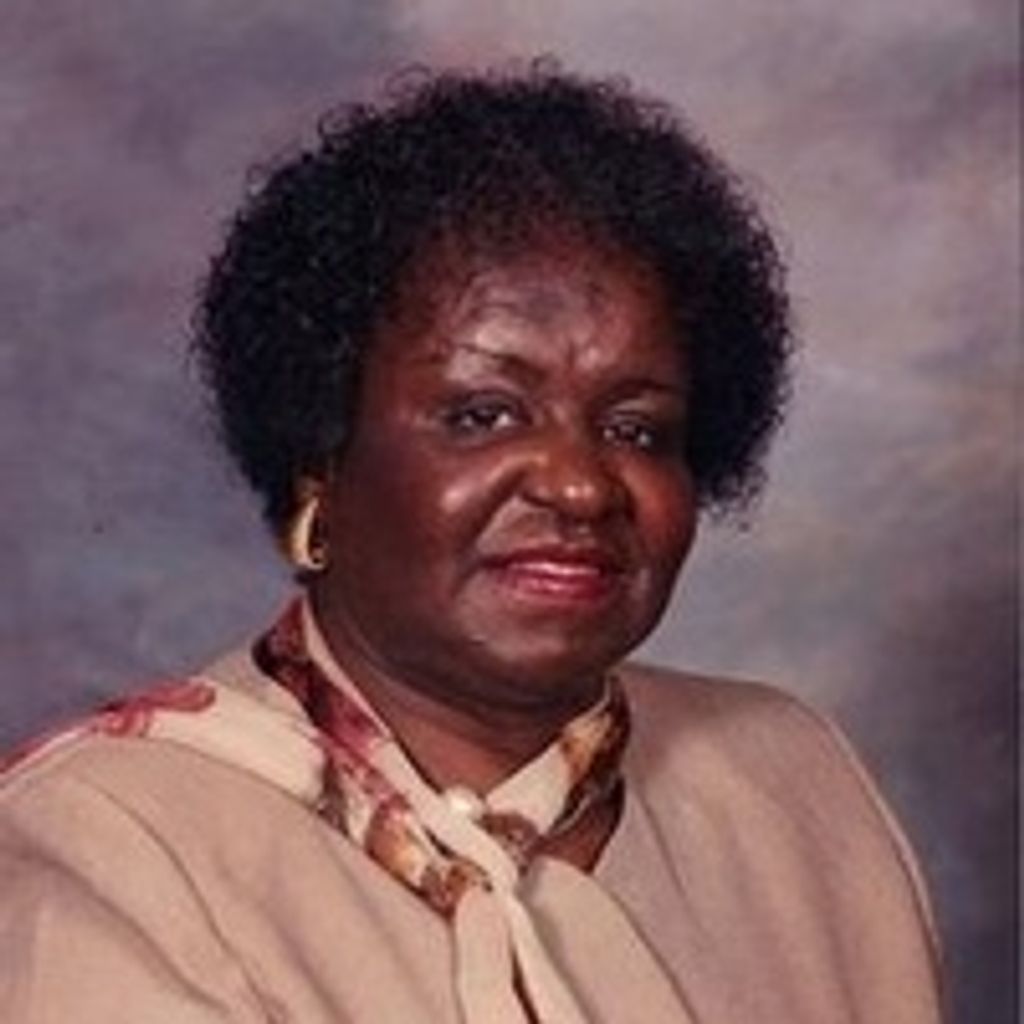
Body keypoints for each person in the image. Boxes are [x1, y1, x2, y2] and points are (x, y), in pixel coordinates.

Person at [0, 63, 944, 1023]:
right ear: (321, 458)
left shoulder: (792, 782)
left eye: (636, 429)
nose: (580, 485)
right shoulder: (114, 842)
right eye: (484, 415)